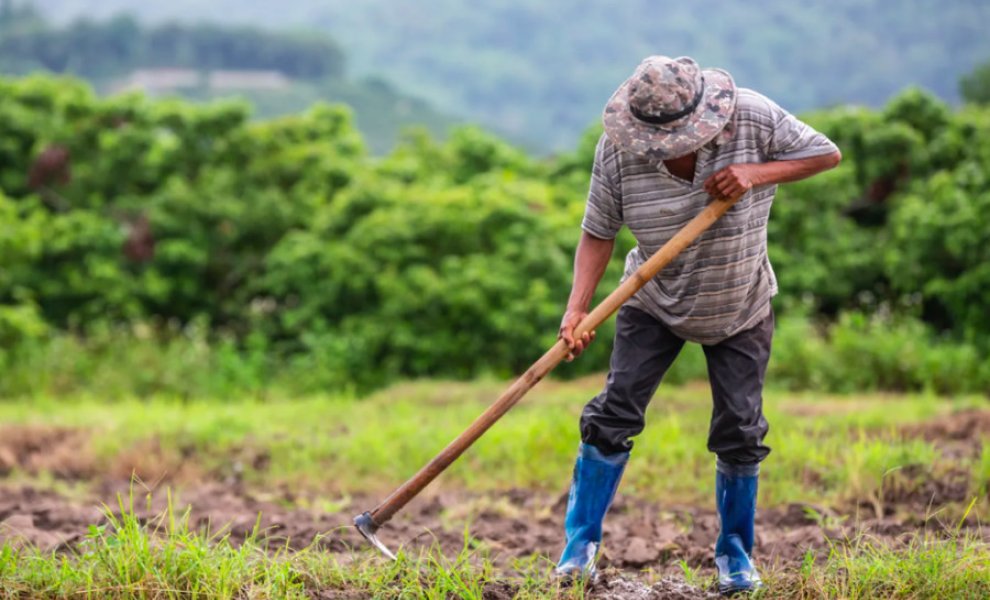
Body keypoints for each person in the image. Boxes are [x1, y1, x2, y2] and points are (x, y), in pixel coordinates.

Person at [555, 55, 841, 595]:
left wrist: (755, 173)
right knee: (613, 414)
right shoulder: (618, 150)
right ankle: (579, 551)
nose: (665, 149)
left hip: (740, 301)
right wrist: (577, 309)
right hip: (652, 297)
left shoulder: (753, 117)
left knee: (739, 429)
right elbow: (598, 231)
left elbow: (825, 154)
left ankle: (735, 558)